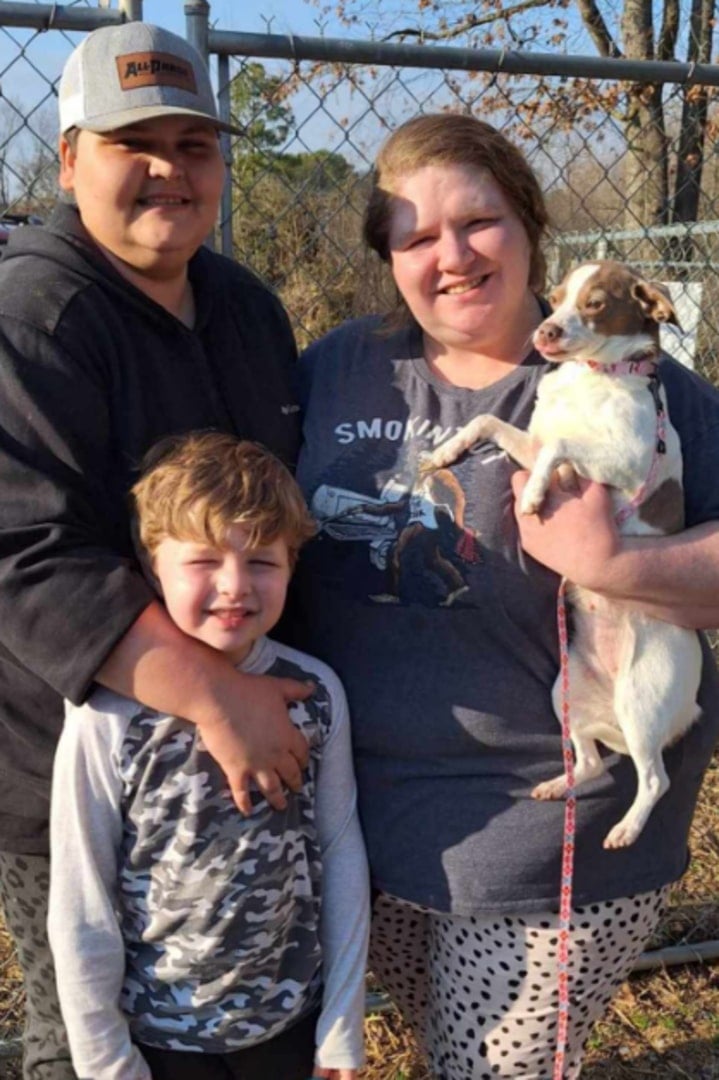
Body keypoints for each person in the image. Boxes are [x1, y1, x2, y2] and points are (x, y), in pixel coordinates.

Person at [286, 113, 719, 1079]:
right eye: (413, 236)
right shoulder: (333, 366)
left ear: (527, 225)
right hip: (362, 830)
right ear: (387, 257)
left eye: (477, 221)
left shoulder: (634, 378)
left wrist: (620, 565)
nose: (451, 255)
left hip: (546, 837)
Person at [0, 22, 312, 1079]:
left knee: (234, 1015)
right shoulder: (31, 314)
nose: (169, 170)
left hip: (238, 769)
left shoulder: (246, 309)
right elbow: (21, 553)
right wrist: (211, 697)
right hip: (73, 772)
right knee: (94, 1032)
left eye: (194, 145)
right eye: (136, 142)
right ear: (70, 160)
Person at [47, 432, 369, 1080]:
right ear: (149, 563)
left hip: (290, 1028)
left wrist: (340, 1026)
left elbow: (339, 854)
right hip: (157, 1043)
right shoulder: (104, 713)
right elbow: (81, 895)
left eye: (262, 562)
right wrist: (107, 1064)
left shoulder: (318, 693)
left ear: (292, 564)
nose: (234, 586)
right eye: (203, 561)